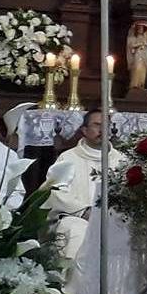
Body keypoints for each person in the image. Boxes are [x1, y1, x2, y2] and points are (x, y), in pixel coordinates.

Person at [44, 110, 124, 267]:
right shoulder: (68, 158)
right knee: (76, 234)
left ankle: (120, 292)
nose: (102, 130)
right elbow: (55, 192)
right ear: (84, 130)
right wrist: (85, 211)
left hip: (114, 221)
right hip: (77, 218)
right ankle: (74, 291)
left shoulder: (122, 160)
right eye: (97, 125)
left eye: (106, 126)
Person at [126, 21, 147, 90]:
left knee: (143, 70)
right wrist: (139, 44)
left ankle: (141, 84)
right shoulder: (133, 38)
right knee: (137, 68)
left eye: (142, 28)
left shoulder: (145, 36)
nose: (140, 30)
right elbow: (132, 45)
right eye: (139, 28)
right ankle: (135, 84)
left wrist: (142, 23)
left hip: (144, 55)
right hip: (137, 55)